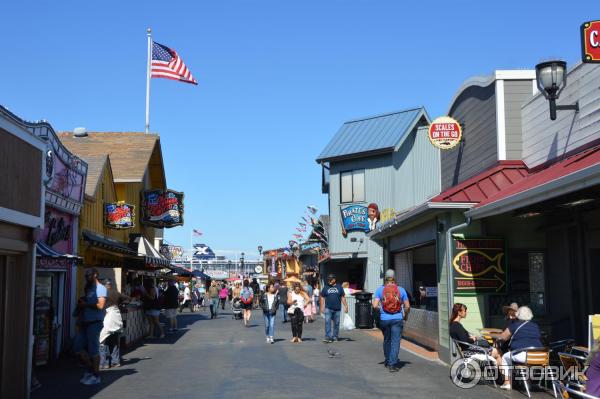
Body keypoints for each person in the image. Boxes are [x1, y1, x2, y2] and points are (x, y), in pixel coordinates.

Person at [494, 306, 543, 391]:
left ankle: (507, 383)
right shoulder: (535, 326)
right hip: (540, 356)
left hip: (523, 355)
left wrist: (498, 338)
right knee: (527, 362)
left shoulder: (515, 325)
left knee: (505, 357)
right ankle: (529, 382)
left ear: (518, 315)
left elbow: (503, 337)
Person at [372, 269, 410, 372]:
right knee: (396, 341)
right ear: (395, 278)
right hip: (397, 319)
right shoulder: (401, 290)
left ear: (385, 278)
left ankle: (388, 360)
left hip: (384, 319)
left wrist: (382, 310)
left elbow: (374, 305)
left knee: (387, 340)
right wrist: (405, 315)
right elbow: (407, 306)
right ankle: (392, 364)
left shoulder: (380, 290)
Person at [73, 268, 107, 386]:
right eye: (85, 275)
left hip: (95, 322)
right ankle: (90, 369)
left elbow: (101, 305)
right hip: (85, 322)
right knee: (77, 347)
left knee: (93, 350)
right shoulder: (88, 288)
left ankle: (96, 375)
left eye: (88, 275)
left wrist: (85, 304)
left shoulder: (101, 288)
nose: (86, 277)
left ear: (95, 275)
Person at [99, 279, 129, 369]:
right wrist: (120, 304)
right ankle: (115, 362)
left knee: (102, 340)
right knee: (114, 340)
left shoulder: (104, 293)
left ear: (104, 285)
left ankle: (104, 363)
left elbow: (100, 306)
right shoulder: (116, 292)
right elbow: (128, 299)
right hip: (117, 317)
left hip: (109, 317)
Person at [320, 273, 348, 343]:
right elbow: (322, 297)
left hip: (337, 308)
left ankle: (335, 336)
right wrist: (322, 307)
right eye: (328, 279)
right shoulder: (326, 287)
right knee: (327, 322)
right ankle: (328, 337)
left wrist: (346, 306)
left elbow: (342, 297)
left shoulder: (339, 287)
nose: (329, 281)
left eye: (330, 279)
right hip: (328, 308)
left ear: (334, 280)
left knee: (336, 323)